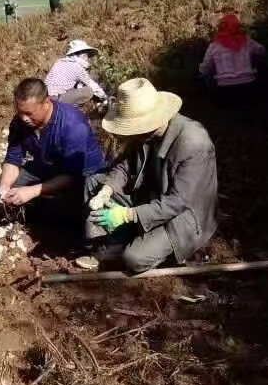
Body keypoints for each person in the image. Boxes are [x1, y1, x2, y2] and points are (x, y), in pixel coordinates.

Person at [77, 78, 218, 273]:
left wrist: (128, 215)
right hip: (148, 196)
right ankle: (113, 243)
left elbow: (178, 202)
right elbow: (124, 167)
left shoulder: (194, 143)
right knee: (95, 182)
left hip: (182, 216)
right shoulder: (144, 135)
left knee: (134, 258)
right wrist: (106, 190)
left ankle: (161, 249)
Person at [0, 78, 106, 221]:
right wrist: (4, 186)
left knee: (56, 212)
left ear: (46, 103)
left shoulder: (72, 124)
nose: (23, 118)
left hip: (83, 175)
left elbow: (73, 175)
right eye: (20, 112)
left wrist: (32, 191)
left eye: (29, 113)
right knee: (11, 188)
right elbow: (13, 159)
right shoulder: (19, 123)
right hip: (49, 165)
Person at [199, 14, 265, 105]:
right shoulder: (247, 42)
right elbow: (261, 51)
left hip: (225, 89)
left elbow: (205, 69)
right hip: (248, 86)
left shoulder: (214, 46)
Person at [44, 40, 108, 107]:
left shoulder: (59, 62)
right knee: (88, 91)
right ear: (80, 54)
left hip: (45, 97)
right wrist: (105, 97)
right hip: (56, 99)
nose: (87, 58)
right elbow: (92, 85)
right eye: (85, 55)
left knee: (78, 86)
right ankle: (70, 109)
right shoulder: (77, 67)